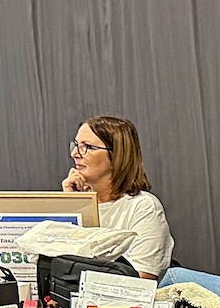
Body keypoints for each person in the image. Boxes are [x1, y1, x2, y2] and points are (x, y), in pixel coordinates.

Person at [61, 114, 172, 277]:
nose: (75, 154)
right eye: (76, 145)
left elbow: (142, 280)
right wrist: (71, 204)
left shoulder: (144, 207)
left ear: (117, 155)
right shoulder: (76, 200)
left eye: (88, 147)